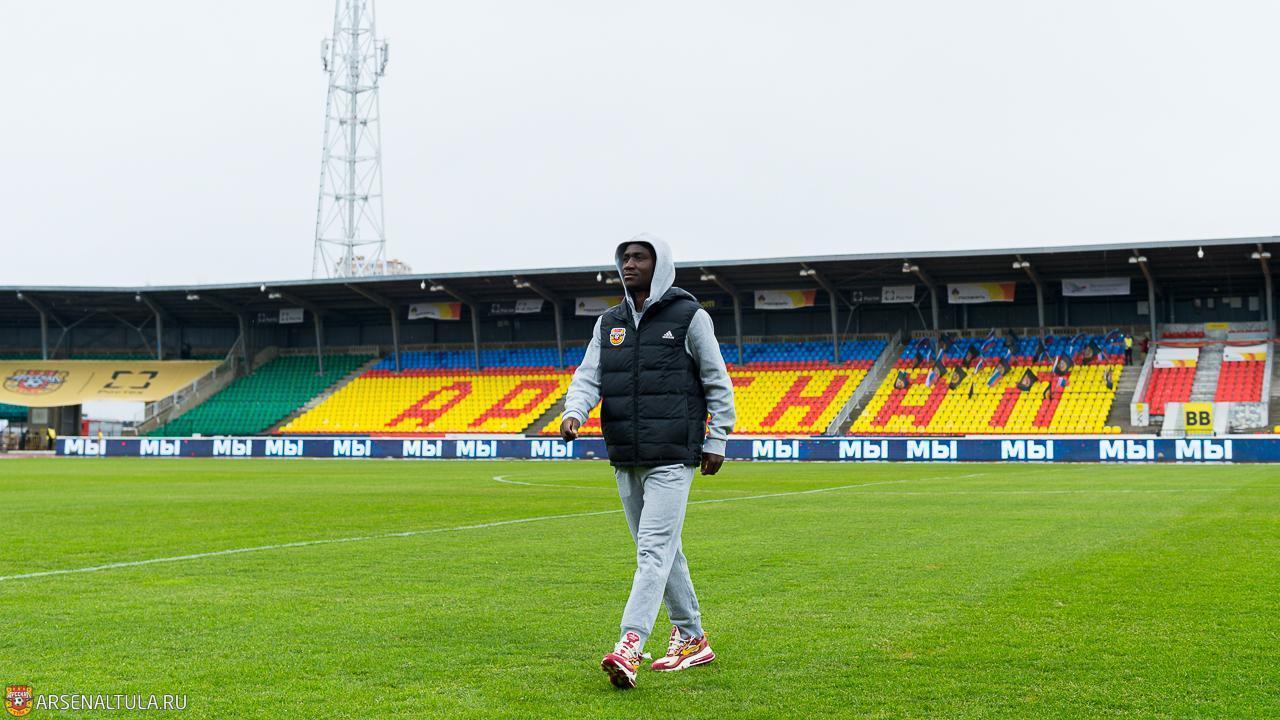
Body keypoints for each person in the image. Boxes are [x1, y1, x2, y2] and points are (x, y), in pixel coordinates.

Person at [560, 233, 735, 690]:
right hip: (625, 454)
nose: (629, 263)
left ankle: (630, 644)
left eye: (639, 256)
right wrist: (575, 411)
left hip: (673, 455)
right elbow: (589, 376)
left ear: (660, 264)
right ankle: (692, 638)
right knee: (662, 549)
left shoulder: (690, 316)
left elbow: (717, 380)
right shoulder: (608, 323)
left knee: (652, 551)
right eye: (625, 257)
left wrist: (717, 438)